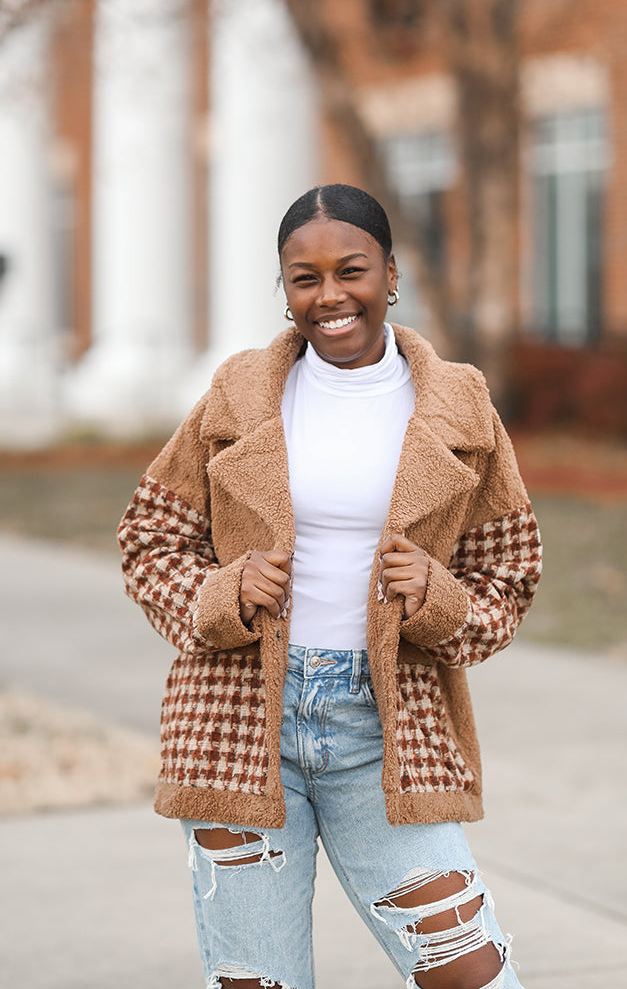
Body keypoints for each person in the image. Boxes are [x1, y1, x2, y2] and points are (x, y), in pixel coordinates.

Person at [118, 184, 542, 989]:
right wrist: (223, 594)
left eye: (349, 270)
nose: (329, 296)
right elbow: (148, 538)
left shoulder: (459, 406)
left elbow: (510, 574)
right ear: (284, 292)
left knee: (470, 972)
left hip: (386, 733)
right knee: (258, 983)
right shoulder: (236, 396)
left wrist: (439, 599)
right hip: (240, 724)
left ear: (390, 273)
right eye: (303, 278)